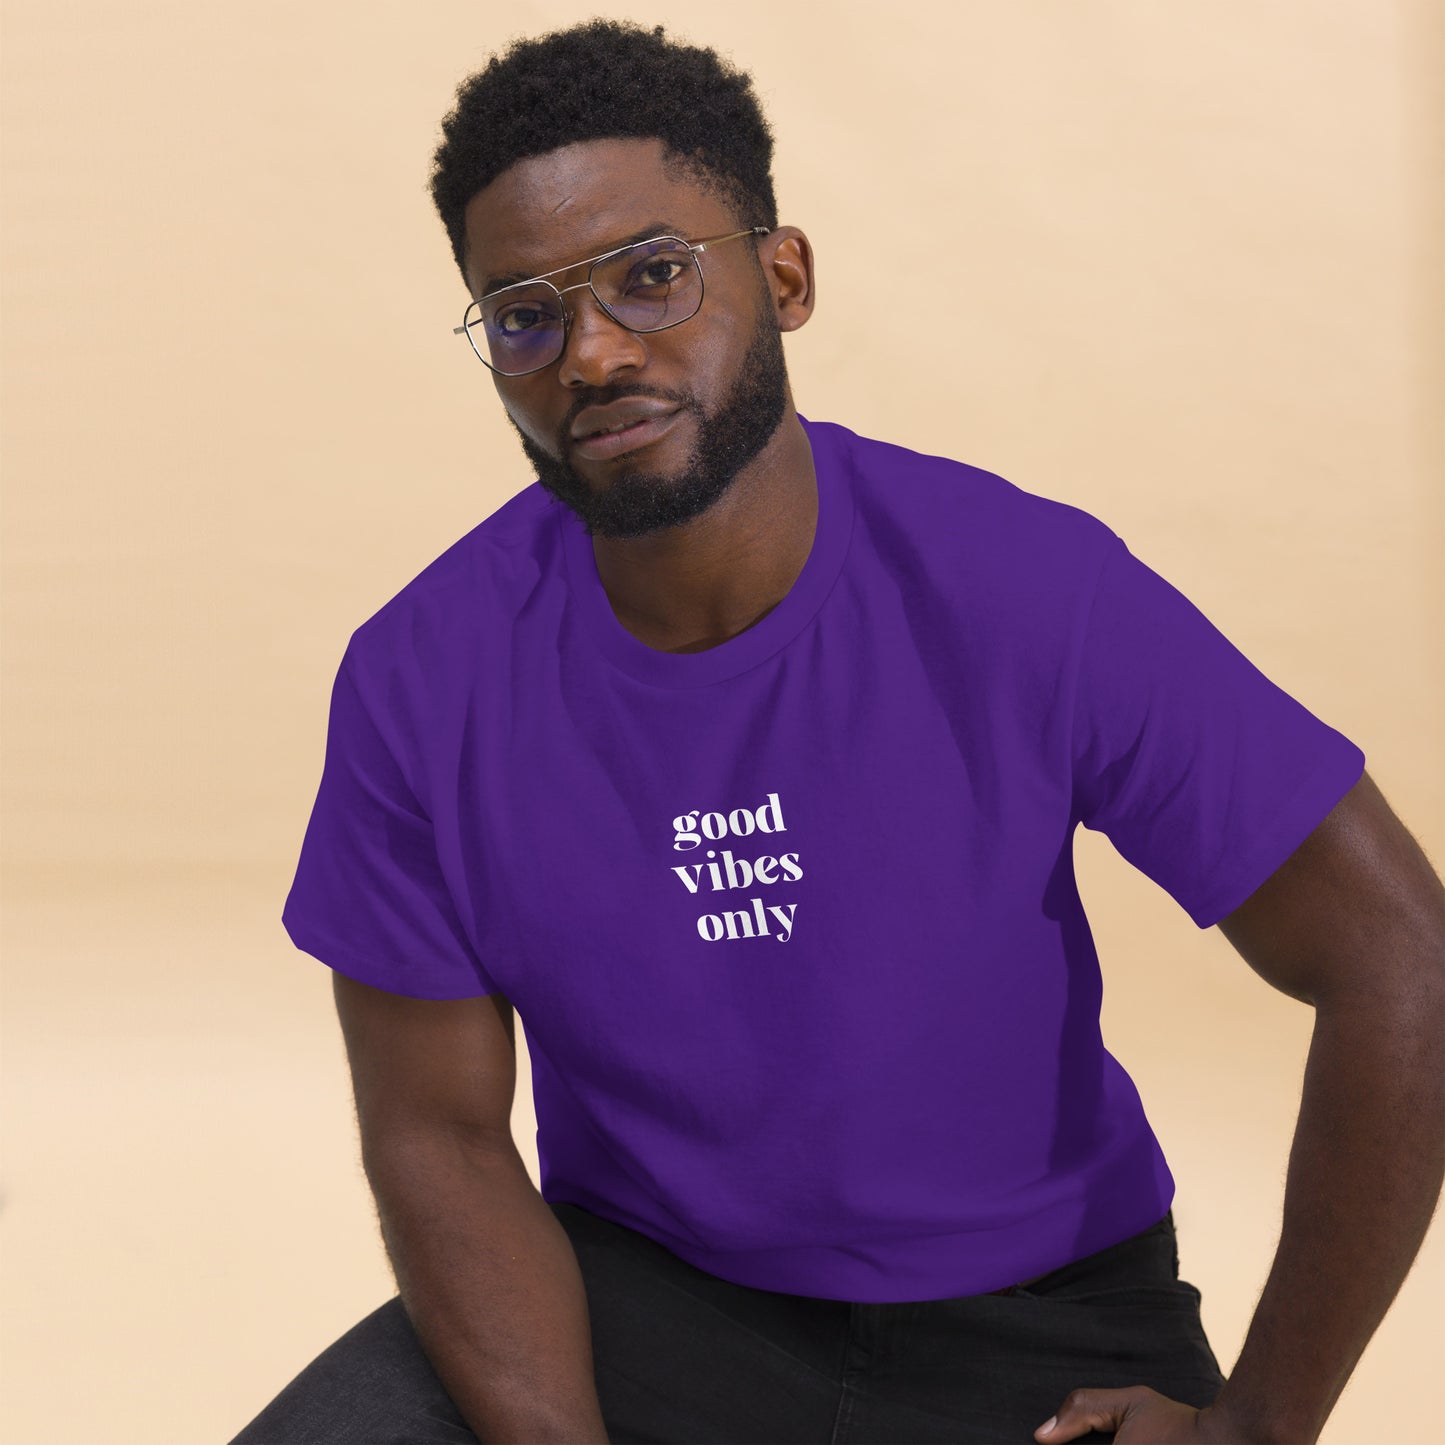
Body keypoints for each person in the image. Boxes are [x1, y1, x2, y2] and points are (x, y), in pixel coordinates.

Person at [230, 19, 1445, 1445]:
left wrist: (1259, 1424)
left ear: (783, 276)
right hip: (645, 1303)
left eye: (652, 275)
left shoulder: (1018, 586)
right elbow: (434, 1130)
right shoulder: (418, 677)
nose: (594, 351)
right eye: (524, 315)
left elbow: (1398, 959)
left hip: (1037, 1328)